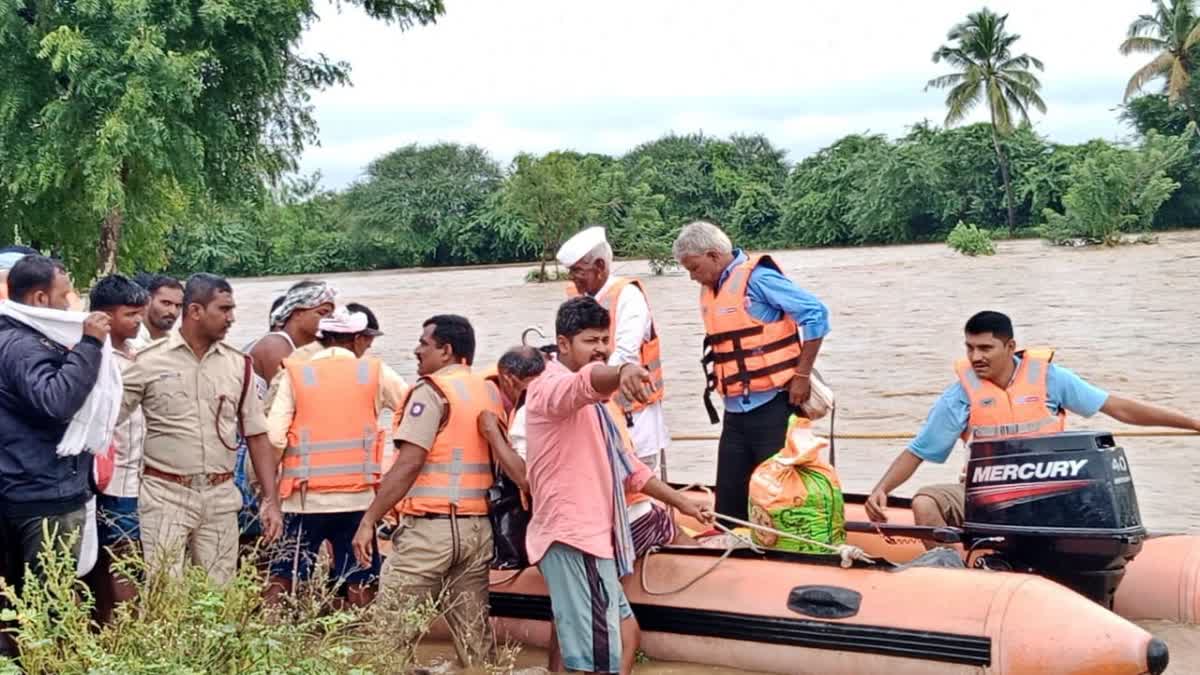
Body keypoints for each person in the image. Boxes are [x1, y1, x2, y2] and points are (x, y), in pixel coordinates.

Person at [866, 311, 1200, 529]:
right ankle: (962, 579)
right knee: (925, 503)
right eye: (969, 348)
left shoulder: (1051, 379)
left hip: (1053, 494)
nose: (975, 357)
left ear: (1010, 346)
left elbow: (1119, 408)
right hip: (986, 497)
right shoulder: (960, 395)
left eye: (985, 348)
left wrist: (1194, 424)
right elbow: (919, 450)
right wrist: (882, 489)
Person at [525, 297, 713, 675]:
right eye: (589, 341)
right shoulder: (550, 388)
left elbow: (632, 471)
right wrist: (624, 367)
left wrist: (684, 504)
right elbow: (585, 383)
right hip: (575, 540)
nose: (600, 349)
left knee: (612, 638)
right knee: (596, 659)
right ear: (563, 344)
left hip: (597, 541)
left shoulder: (596, 409)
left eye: (605, 340)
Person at [351, 315, 503, 668]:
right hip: (477, 528)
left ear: (446, 351)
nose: (417, 351)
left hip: (432, 531)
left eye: (424, 344)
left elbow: (409, 463)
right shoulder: (488, 390)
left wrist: (370, 519)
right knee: (475, 636)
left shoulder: (432, 391)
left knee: (391, 630)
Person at [120, 273, 282, 584]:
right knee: (166, 593)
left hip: (221, 496)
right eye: (223, 309)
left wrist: (270, 499)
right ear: (195, 311)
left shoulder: (239, 365)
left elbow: (257, 434)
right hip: (165, 494)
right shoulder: (146, 361)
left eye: (232, 309)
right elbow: (107, 422)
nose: (231, 318)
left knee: (219, 596)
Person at [672, 220, 831, 522]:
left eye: (694, 268)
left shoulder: (759, 279)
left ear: (714, 256)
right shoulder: (713, 288)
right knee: (729, 505)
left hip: (773, 408)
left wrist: (801, 376)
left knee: (777, 499)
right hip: (736, 414)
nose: (693, 277)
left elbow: (816, 313)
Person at [265, 305, 402, 607]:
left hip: (302, 500)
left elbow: (274, 436)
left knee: (285, 573)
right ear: (355, 340)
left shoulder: (296, 374)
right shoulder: (375, 372)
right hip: (357, 500)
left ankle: (272, 632)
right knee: (360, 575)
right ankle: (363, 644)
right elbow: (409, 413)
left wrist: (269, 497)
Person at [0, 255, 108, 593]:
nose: (71, 304)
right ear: (40, 299)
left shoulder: (19, 337)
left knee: (23, 608)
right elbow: (55, 400)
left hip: (29, 488)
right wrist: (90, 345)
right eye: (65, 296)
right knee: (50, 609)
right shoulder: (23, 346)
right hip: (42, 496)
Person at [557, 226, 669, 478]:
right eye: (571, 271)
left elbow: (625, 354)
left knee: (639, 483)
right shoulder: (577, 299)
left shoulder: (628, 296)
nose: (573, 278)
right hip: (594, 411)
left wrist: (587, 387)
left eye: (578, 271)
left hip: (632, 415)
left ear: (599, 266)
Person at [85, 275, 150, 623]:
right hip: (114, 477)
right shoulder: (96, 358)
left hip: (143, 475)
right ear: (106, 317)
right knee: (120, 553)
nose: (138, 320)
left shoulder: (138, 355)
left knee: (132, 553)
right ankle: (123, 626)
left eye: (141, 313)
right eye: (130, 314)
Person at [248, 280, 335, 391]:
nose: (329, 319)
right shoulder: (275, 345)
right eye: (322, 313)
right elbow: (294, 396)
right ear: (297, 313)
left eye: (331, 314)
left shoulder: (312, 347)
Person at [132, 275, 183, 346]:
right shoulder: (130, 341)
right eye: (166, 303)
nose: (173, 311)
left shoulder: (179, 342)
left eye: (178, 305)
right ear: (148, 301)